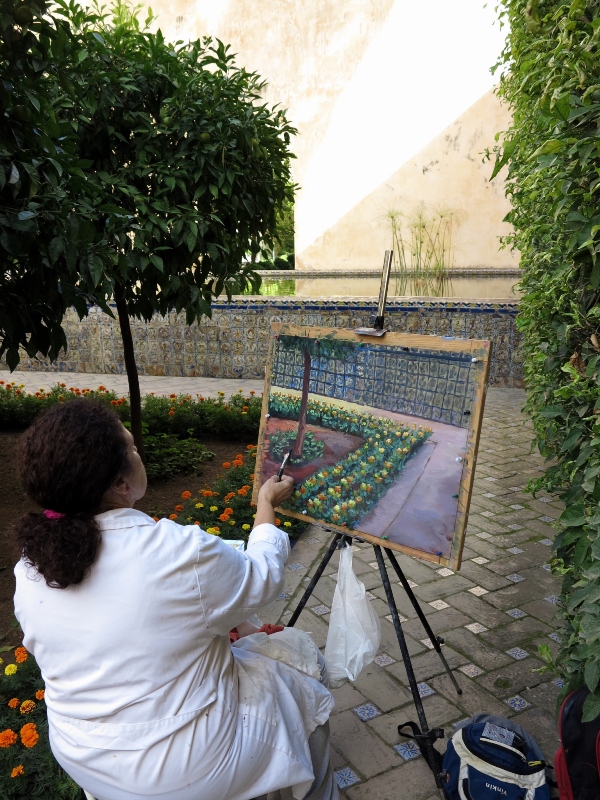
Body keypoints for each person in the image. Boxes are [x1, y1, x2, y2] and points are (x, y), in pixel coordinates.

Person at [13, 399, 339, 800]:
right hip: (183, 767)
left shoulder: (31, 565)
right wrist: (266, 505)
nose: (138, 453)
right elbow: (263, 576)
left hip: (83, 755)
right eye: (132, 447)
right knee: (304, 662)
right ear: (120, 483)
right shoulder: (177, 552)